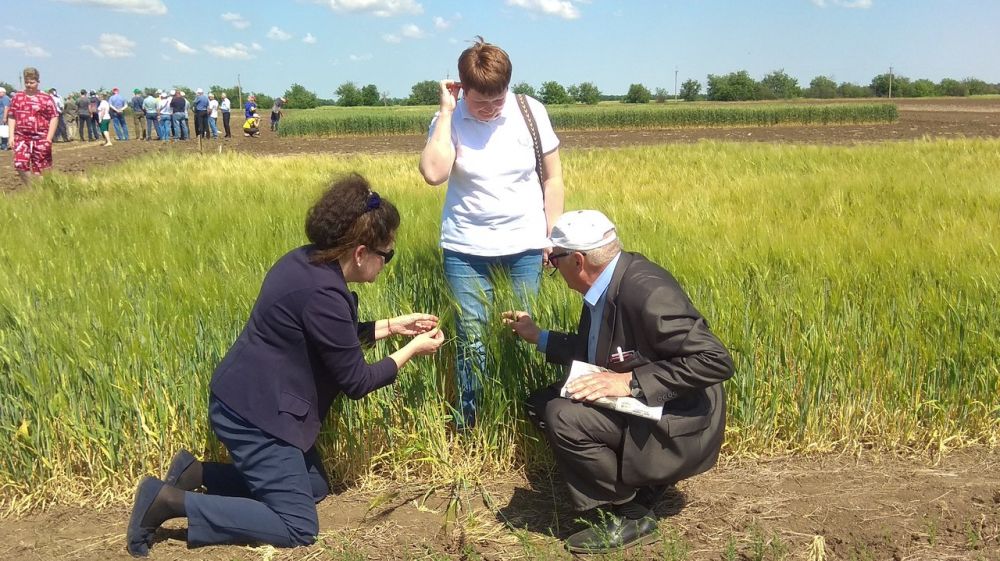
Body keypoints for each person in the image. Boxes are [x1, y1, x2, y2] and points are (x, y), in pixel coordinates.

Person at [125, 173, 446, 557]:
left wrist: (394, 326)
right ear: (361, 253)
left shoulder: (308, 260)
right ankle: (167, 502)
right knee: (297, 526)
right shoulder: (324, 293)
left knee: (313, 488)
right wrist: (412, 349)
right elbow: (357, 381)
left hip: (251, 396)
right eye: (386, 255)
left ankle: (197, 473)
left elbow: (330, 338)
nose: (386, 263)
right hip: (254, 416)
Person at [502, 210, 734, 554]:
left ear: (578, 260)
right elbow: (596, 349)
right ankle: (644, 486)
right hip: (656, 407)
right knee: (541, 401)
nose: (550, 264)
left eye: (554, 257)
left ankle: (629, 513)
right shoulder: (604, 285)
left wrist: (630, 382)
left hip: (681, 422)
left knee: (562, 415)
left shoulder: (645, 291)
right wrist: (539, 336)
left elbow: (714, 360)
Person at [418, 36, 565, 428]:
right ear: (462, 89)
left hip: (525, 248)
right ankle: (471, 424)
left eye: (497, 99)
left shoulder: (530, 112)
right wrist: (448, 112)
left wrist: (552, 237)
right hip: (465, 250)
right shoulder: (450, 118)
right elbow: (433, 174)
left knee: (520, 336)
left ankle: (520, 419)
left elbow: (553, 180)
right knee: (472, 340)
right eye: (480, 101)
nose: (490, 109)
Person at [6, 67, 59, 184]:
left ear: (38, 82)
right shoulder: (17, 97)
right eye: (26, 82)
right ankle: (31, 188)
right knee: (20, 164)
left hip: (41, 138)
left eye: (32, 82)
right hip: (21, 138)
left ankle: (42, 192)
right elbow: (11, 116)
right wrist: (11, 136)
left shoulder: (46, 98)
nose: (29, 85)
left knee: (41, 168)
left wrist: (49, 139)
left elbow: (54, 117)